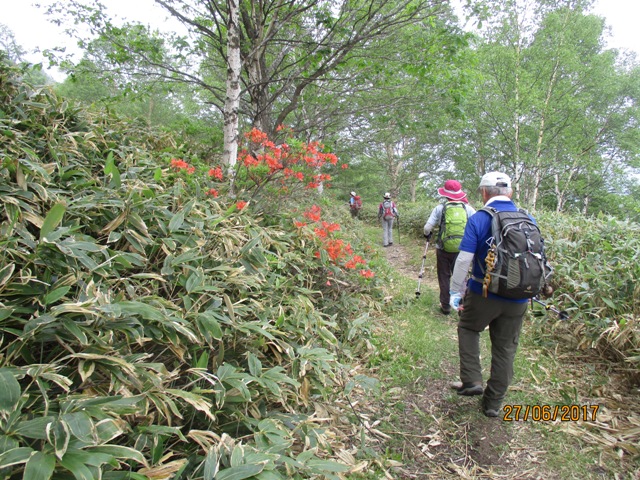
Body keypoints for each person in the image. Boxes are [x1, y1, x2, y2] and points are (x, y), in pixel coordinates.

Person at [448, 171, 532, 418]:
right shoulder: (528, 218)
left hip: (483, 292)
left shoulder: (479, 218)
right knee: (506, 348)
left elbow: (464, 260)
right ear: (510, 193)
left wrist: (455, 291)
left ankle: (472, 379)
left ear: (484, 193)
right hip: (518, 296)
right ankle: (493, 403)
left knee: (468, 328)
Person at [423, 180, 476, 315]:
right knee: (461, 277)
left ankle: (445, 305)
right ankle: (461, 305)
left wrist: (427, 234)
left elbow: (427, 228)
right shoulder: (468, 209)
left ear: (445, 194)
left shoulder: (440, 208)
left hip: (443, 248)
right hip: (463, 249)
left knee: (444, 276)